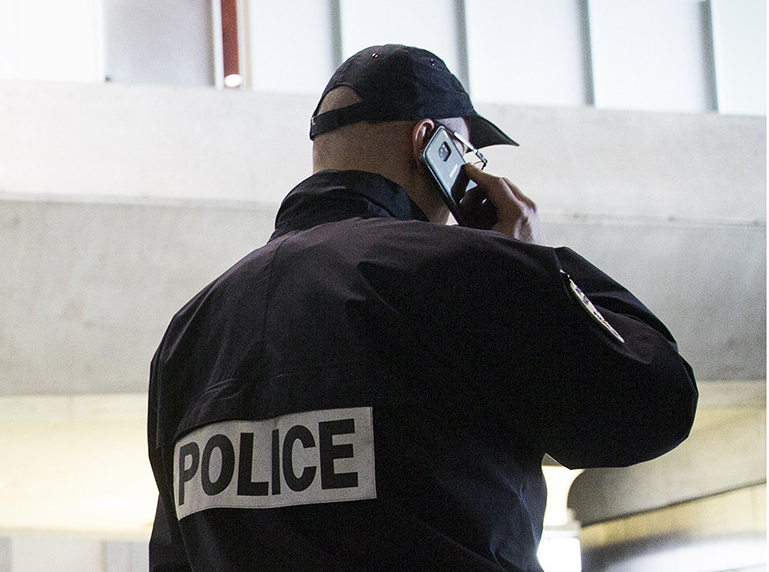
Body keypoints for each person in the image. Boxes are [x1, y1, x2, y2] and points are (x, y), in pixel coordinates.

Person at [147, 44, 697, 572]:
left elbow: (173, 556)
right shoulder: (463, 270)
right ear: (428, 143)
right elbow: (652, 401)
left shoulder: (190, 331)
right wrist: (534, 261)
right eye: (467, 156)